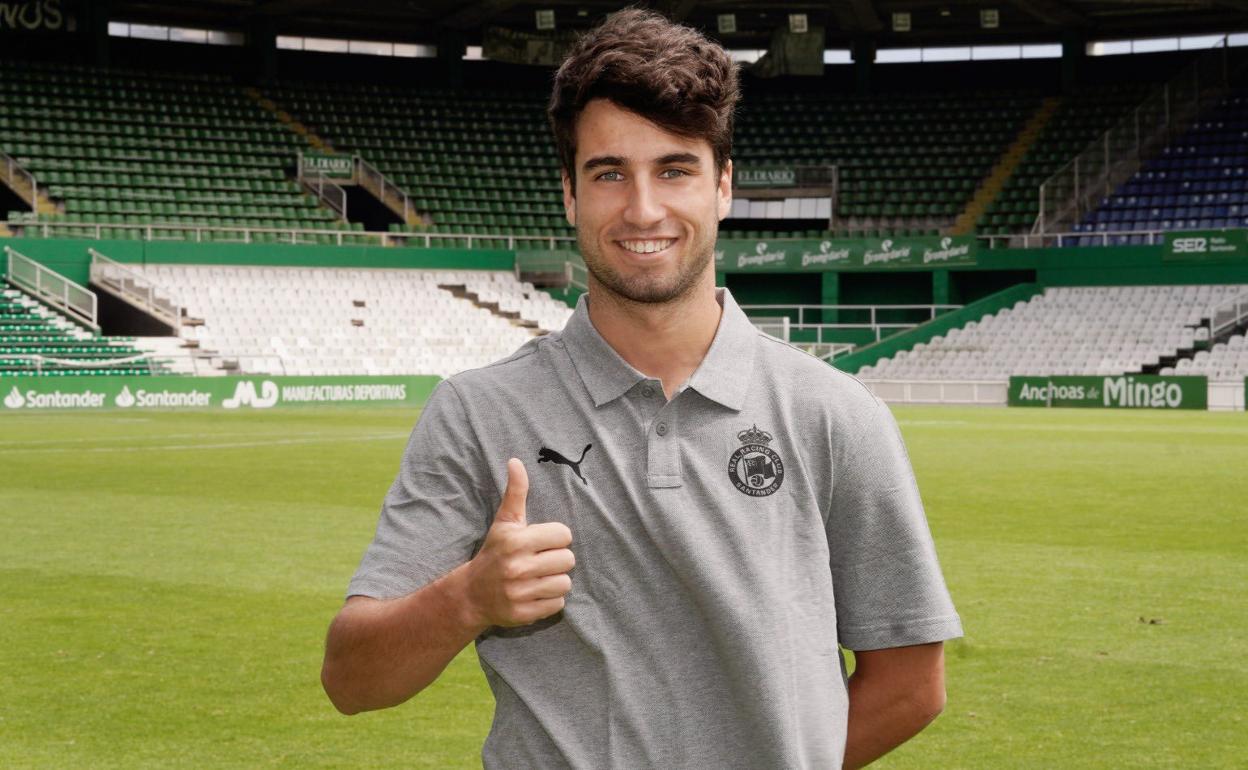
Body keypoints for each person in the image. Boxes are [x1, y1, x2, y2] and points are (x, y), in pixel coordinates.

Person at [321, 8, 962, 769]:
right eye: (609, 173)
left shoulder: (837, 415)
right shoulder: (477, 412)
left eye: (675, 170)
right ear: (569, 194)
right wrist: (467, 599)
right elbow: (351, 679)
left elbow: (911, 684)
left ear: (723, 187)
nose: (643, 209)